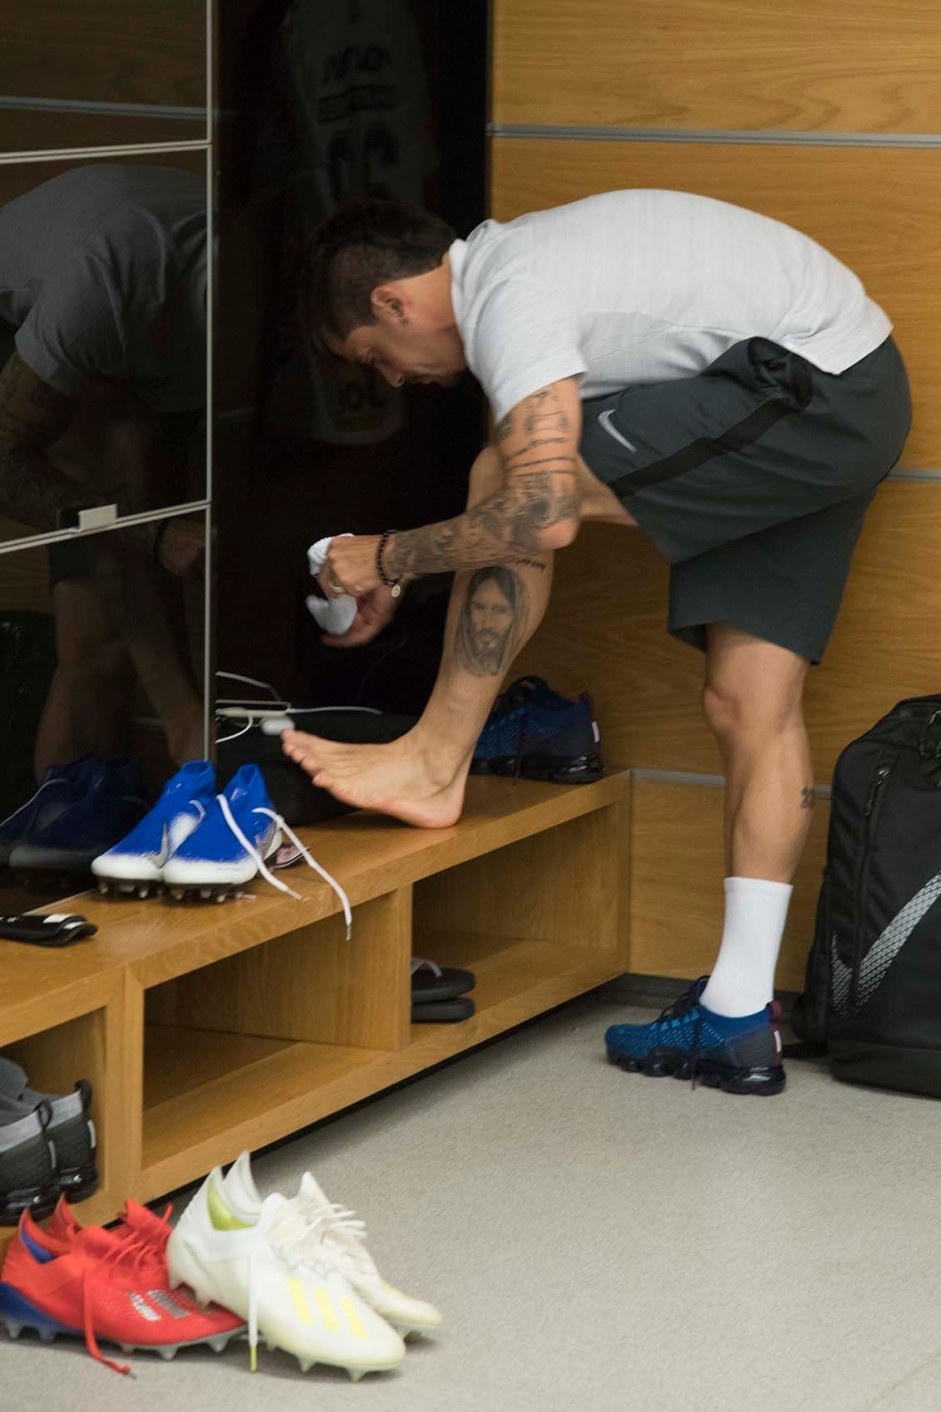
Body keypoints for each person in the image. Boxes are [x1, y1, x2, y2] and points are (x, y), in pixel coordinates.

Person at [280, 190, 911, 1094]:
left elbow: (538, 510)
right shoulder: (530, 270)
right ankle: (737, 1018)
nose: (390, 380)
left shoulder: (506, 287)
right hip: (846, 390)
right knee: (746, 703)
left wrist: (384, 556)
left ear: (393, 303)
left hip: (804, 392)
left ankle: (433, 762)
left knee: (507, 477)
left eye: (376, 358)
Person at [0, 162, 208, 773]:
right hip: (19, 326)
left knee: (106, 641)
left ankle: (66, 807)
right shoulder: (107, 282)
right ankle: (186, 734)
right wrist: (154, 534)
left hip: (136, 346)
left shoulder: (262, 285)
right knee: (124, 477)